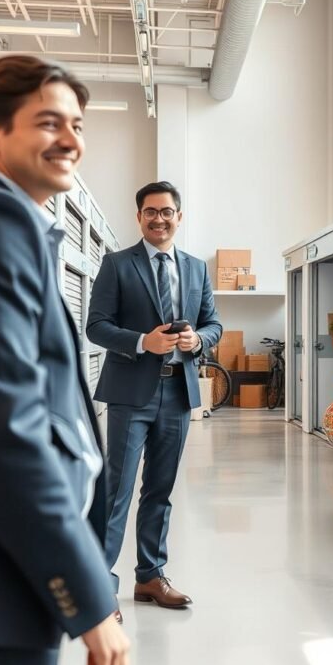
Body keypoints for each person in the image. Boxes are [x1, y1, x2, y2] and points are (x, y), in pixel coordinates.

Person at [0, 55, 130, 665]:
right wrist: (90, 600)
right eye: (47, 121)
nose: (70, 138)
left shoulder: (15, 224)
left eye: (76, 124)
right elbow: (7, 434)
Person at [87, 181, 222, 612]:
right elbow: (97, 325)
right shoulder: (116, 264)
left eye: (167, 212)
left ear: (179, 217)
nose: (159, 219)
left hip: (177, 393)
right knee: (117, 492)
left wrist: (198, 341)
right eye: (150, 211)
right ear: (139, 216)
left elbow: (213, 323)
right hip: (131, 394)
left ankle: (150, 577)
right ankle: (100, 586)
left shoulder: (197, 268)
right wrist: (144, 341)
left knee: (160, 491)